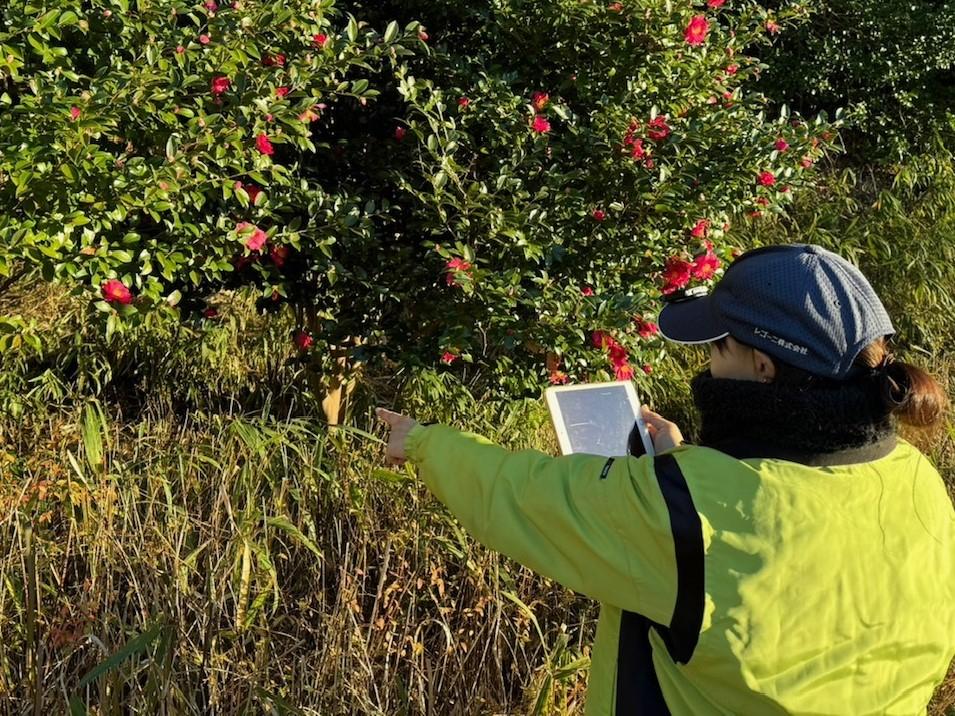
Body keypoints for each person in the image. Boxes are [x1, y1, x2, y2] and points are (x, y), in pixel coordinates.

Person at [375, 243, 955, 715]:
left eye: (717, 348)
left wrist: (425, 442)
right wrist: (690, 464)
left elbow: (525, 495)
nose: (707, 364)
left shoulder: (682, 508)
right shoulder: (918, 480)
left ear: (762, 366)